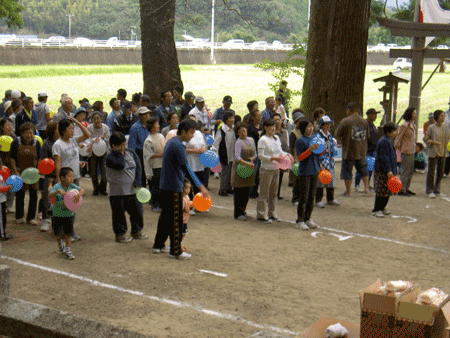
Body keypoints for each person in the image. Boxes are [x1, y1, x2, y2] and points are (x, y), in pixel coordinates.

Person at [152, 118, 210, 260]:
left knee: (166, 217)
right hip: (173, 188)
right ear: (183, 131)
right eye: (190, 133)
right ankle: (175, 250)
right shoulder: (178, 146)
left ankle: (158, 245)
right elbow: (187, 168)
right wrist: (201, 186)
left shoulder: (172, 142)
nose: (192, 136)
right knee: (175, 220)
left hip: (166, 186)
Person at [105, 132, 148, 243]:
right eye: (119, 146)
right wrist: (118, 152)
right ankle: (120, 234)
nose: (123, 148)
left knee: (137, 212)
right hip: (117, 192)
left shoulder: (131, 153)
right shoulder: (110, 157)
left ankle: (136, 231)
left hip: (133, 190)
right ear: (113, 146)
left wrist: (138, 181)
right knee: (119, 215)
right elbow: (120, 165)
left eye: (124, 145)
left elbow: (138, 167)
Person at [53, 117, 90, 242]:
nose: (72, 131)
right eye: (70, 129)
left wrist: (77, 122)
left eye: (73, 129)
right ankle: (64, 233)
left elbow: (87, 134)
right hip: (65, 180)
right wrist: (59, 180)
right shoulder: (58, 145)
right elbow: (58, 163)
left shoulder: (73, 140)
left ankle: (70, 232)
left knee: (72, 206)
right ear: (63, 131)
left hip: (75, 178)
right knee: (65, 208)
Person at [257, 118, 292, 223]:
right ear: (265, 127)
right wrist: (273, 158)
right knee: (264, 193)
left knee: (274, 193)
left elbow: (280, 151)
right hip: (266, 169)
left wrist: (287, 155)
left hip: (276, 168)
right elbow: (260, 156)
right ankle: (261, 214)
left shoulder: (276, 138)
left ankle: (272, 212)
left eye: (274, 126)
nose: (273, 128)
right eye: (270, 126)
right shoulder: (262, 140)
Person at [9, 122, 42, 225]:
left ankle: (31, 218)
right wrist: (15, 171)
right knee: (20, 195)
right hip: (19, 172)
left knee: (34, 195)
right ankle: (19, 216)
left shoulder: (36, 143)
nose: (29, 135)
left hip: (33, 173)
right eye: (27, 133)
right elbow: (12, 158)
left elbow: (40, 158)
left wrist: (39, 171)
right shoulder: (16, 142)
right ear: (22, 133)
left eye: (31, 133)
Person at [48, 167, 85, 259]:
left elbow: (82, 190)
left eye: (72, 176)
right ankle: (60, 243)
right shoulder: (57, 186)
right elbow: (50, 195)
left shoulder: (72, 187)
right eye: (69, 176)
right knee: (57, 234)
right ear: (62, 178)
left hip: (69, 215)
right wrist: (57, 192)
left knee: (68, 234)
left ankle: (68, 250)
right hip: (57, 215)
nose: (72, 178)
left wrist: (78, 195)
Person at [335, 102, 370, 196]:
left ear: (348, 110)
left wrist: (343, 141)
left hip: (349, 151)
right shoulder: (364, 121)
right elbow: (368, 136)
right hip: (361, 150)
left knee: (347, 171)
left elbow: (337, 135)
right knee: (363, 169)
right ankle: (367, 188)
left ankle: (348, 192)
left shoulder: (345, 121)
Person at [294, 119, 321, 230]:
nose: (310, 129)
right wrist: (309, 150)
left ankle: (308, 218)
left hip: (314, 170)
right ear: (303, 128)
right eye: (308, 127)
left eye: (311, 126)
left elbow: (317, 155)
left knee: (311, 197)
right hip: (305, 172)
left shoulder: (314, 139)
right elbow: (300, 158)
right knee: (304, 197)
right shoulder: (300, 141)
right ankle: (300, 220)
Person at [371, 122, 398, 218]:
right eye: (394, 131)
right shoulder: (383, 142)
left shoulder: (389, 140)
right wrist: (388, 170)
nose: (396, 133)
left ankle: (382, 208)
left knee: (388, 190)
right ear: (388, 132)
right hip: (383, 171)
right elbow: (384, 158)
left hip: (389, 170)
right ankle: (376, 209)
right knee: (381, 191)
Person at [232, 122, 256, 220]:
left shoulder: (251, 140)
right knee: (239, 192)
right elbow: (237, 157)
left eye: (244, 131)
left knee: (246, 192)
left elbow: (255, 154)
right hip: (239, 169)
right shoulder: (238, 142)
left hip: (248, 169)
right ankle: (238, 213)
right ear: (237, 133)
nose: (243, 133)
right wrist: (247, 163)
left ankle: (243, 211)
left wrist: (252, 159)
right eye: (240, 132)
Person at [423, 110, 450, 198]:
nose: (443, 118)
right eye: (441, 116)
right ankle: (429, 190)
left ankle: (437, 190)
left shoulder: (446, 127)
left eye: (444, 116)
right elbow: (425, 139)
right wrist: (433, 142)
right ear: (437, 117)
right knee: (431, 172)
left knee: (441, 172)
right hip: (433, 153)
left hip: (443, 152)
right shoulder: (431, 127)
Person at [315, 115, 339, 208]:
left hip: (330, 161)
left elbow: (332, 146)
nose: (328, 125)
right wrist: (319, 162)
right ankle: (318, 200)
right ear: (322, 125)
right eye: (326, 124)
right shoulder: (318, 136)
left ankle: (330, 199)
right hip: (322, 161)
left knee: (331, 181)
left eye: (329, 124)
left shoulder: (329, 135)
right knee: (321, 181)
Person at [39, 122, 59, 232]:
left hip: (61, 175)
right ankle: (45, 220)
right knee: (47, 199)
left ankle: (57, 221)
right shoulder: (46, 144)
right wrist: (50, 176)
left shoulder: (62, 142)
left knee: (59, 200)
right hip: (49, 176)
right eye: (57, 128)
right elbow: (44, 162)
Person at [143, 116, 165, 212]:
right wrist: (161, 154)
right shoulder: (149, 140)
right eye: (156, 124)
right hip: (155, 166)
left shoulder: (160, 136)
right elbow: (148, 155)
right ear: (151, 126)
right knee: (155, 186)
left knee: (161, 186)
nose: (158, 126)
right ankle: (155, 204)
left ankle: (160, 203)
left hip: (162, 165)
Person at [355, 108, 380, 192]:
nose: (375, 116)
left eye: (376, 114)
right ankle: (357, 184)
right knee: (361, 168)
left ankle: (367, 184)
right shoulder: (364, 124)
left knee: (370, 168)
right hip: (365, 150)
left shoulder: (372, 125)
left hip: (372, 150)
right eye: (373, 114)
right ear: (369, 115)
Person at [394, 107, 417, 196]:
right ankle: (401, 189)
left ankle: (406, 188)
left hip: (411, 150)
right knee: (405, 171)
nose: (415, 115)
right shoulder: (405, 125)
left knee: (410, 170)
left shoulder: (412, 125)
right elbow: (398, 138)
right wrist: (399, 148)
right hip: (406, 151)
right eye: (414, 113)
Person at [212, 111, 235, 196]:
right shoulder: (222, 129)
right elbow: (216, 142)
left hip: (232, 154)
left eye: (233, 118)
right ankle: (222, 190)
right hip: (225, 154)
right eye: (231, 118)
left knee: (230, 172)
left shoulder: (233, 129)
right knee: (225, 172)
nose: (233, 120)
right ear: (226, 120)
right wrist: (215, 153)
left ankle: (229, 188)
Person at [87, 112, 110, 195]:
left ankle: (103, 188)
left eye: (98, 118)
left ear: (101, 119)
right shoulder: (89, 128)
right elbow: (88, 139)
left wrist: (104, 138)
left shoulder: (105, 128)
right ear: (92, 119)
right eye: (94, 118)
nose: (96, 120)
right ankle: (96, 189)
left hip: (104, 152)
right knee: (93, 172)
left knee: (104, 172)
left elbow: (109, 139)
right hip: (93, 152)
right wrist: (94, 140)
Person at [185, 117, 207, 206]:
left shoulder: (198, 133)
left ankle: (199, 204)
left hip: (199, 163)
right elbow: (183, 149)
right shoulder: (185, 134)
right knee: (189, 186)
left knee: (199, 183)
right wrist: (196, 151)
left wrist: (203, 149)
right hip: (190, 162)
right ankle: (189, 206)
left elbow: (204, 144)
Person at [127, 106, 150, 188]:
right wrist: (132, 157)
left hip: (149, 152)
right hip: (140, 152)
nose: (146, 116)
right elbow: (132, 145)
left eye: (147, 114)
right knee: (141, 175)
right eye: (144, 114)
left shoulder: (149, 126)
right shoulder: (135, 127)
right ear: (139, 116)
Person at [0, 117, 16, 213]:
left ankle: (9, 205)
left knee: (11, 183)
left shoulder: (13, 137)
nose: (10, 127)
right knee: (2, 183)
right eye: (7, 125)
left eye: (11, 125)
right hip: (1, 164)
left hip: (10, 163)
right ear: (2, 127)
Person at [247, 109, 263, 199]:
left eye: (260, 116)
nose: (260, 118)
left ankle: (255, 190)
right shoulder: (250, 127)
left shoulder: (261, 126)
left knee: (258, 174)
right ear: (252, 117)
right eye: (258, 116)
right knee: (253, 172)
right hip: (254, 153)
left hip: (261, 152)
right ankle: (250, 190)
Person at [289, 109, 305, 194]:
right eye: (300, 120)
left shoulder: (305, 131)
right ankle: (295, 197)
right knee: (296, 180)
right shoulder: (293, 133)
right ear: (296, 122)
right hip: (296, 159)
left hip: (305, 158)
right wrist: (292, 159)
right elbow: (291, 147)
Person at [273, 113, 289, 199]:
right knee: (274, 177)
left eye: (278, 120)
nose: (277, 122)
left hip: (283, 158)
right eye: (275, 120)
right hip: (275, 158)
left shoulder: (285, 132)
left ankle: (277, 193)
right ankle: (272, 194)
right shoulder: (272, 133)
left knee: (280, 176)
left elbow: (287, 144)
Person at [0, 168, 13, 241]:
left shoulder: (1, 176)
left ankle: (3, 232)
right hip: (0, 200)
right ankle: (2, 234)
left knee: (3, 217)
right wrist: (6, 188)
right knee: (1, 219)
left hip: (2, 199)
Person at [181, 178, 192, 252]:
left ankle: (180, 242)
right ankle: (178, 244)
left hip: (185, 219)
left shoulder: (187, 197)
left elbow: (189, 204)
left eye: (189, 188)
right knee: (180, 233)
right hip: (180, 219)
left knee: (184, 233)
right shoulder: (180, 198)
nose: (188, 190)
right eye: (186, 188)